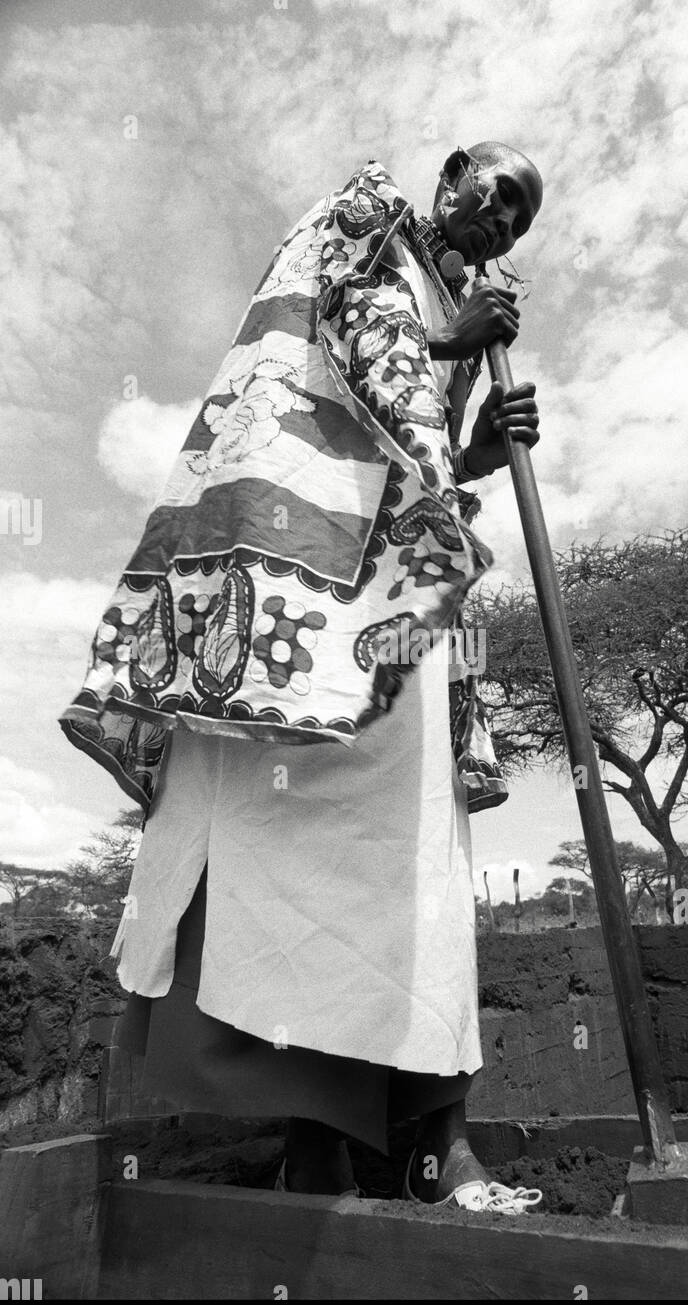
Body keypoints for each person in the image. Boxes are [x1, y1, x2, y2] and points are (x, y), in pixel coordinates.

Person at [61, 141, 544, 1211]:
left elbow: (414, 456)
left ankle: (432, 1143)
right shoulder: (363, 216)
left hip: (407, 610)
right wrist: (438, 336)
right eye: (494, 195)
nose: (499, 222)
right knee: (285, 845)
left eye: (517, 221)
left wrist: (476, 455)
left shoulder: (463, 305)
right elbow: (314, 353)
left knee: (414, 858)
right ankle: (313, 1144)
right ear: (452, 172)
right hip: (306, 593)